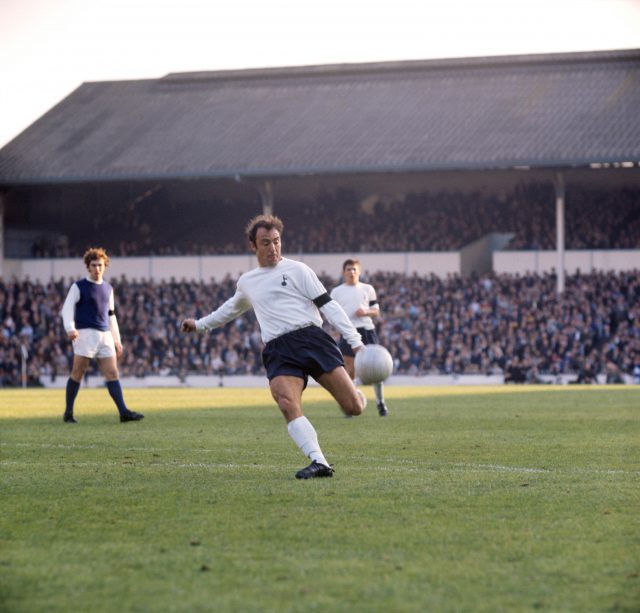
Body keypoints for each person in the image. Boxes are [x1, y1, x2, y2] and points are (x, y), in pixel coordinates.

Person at [181, 215, 366, 479]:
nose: (273, 248)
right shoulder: (248, 282)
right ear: (253, 246)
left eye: (276, 241)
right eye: (265, 243)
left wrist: (356, 342)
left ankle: (358, 396)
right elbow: (229, 310)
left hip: (312, 340)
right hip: (279, 349)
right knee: (286, 400)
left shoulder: (299, 270)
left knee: (353, 408)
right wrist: (198, 325)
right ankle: (319, 461)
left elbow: (329, 306)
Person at [60, 247, 144, 423]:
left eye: (100, 265)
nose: (97, 268)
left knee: (113, 373)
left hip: (105, 335)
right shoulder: (78, 286)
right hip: (85, 334)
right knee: (78, 373)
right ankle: (68, 413)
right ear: (88, 267)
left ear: (105, 266)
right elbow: (67, 308)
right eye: (94, 265)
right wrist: (70, 328)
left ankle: (124, 413)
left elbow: (111, 314)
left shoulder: (108, 288)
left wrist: (117, 339)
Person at [330, 259, 389, 416]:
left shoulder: (367, 289)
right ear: (343, 272)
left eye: (354, 269)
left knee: (377, 368)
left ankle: (381, 403)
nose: (352, 272)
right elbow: (331, 313)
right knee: (349, 371)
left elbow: (376, 310)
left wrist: (366, 312)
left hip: (367, 331)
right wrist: (338, 327)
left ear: (359, 272)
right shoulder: (336, 292)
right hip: (348, 332)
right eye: (349, 269)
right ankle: (352, 406)